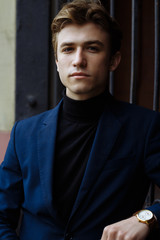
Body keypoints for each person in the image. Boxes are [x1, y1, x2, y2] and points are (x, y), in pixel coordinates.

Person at [0, 0, 160, 239]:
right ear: (56, 61)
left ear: (113, 60)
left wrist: (146, 218)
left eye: (92, 48)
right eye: (67, 49)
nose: (78, 60)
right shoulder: (24, 133)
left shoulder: (144, 126)